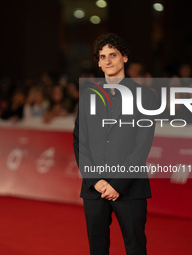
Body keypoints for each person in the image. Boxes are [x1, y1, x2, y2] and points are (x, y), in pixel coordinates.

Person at [73, 33, 156, 255]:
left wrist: (117, 184)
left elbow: (142, 146)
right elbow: (80, 140)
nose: (107, 61)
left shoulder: (145, 97)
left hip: (130, 187)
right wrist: (94, 179)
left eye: (113, 55)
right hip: (94, 189)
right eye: (102, 56)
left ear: (125, 58)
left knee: (135, 247)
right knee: (97, 248)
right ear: (98, 62)